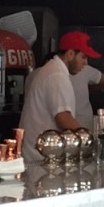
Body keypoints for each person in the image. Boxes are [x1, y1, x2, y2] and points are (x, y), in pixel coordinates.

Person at [18, 31, 99, 161]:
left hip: (41, 154)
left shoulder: (53, 70)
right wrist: (90, 143)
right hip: (41, 158)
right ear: (70, 54)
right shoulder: (56, 75)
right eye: (83, 57)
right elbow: (63, 119)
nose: (86, 63)